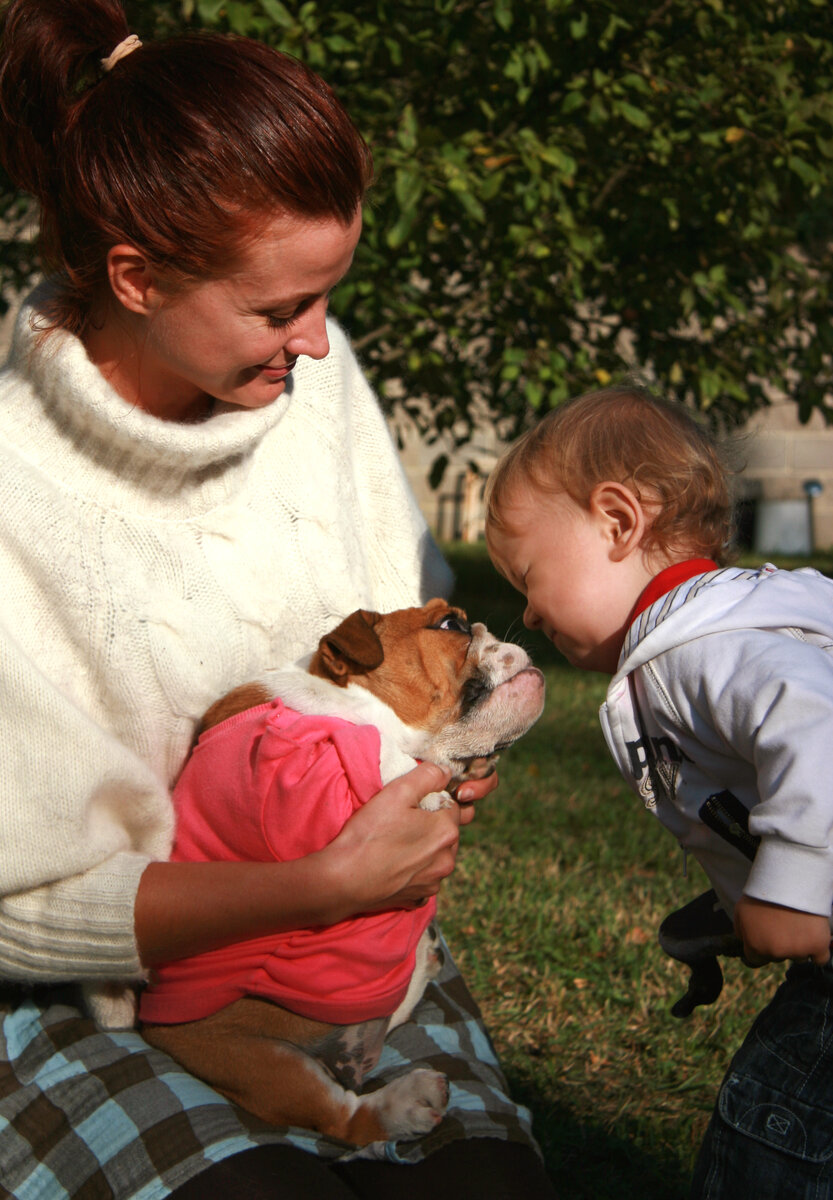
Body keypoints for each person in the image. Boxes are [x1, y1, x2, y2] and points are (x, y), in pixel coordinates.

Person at [0, 2, 557, 1196]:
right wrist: (314, 884)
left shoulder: (310, 381)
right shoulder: (13, 497)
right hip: (87, 1003)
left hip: (350, 952)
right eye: (276, 310)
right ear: (135, 277)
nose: (313, 344)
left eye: (325, 298)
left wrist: (440, 760)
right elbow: (14, 910)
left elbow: (406, 655)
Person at [484, 384, 833, 1200]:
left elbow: (816, 730)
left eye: (529, 577)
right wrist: (732, 904)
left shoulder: (695, 651)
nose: (528, 614)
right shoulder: (744, 620)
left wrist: (791, 894)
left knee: (771, 1137)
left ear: (616, 522)